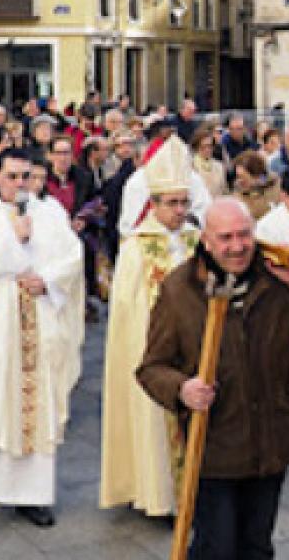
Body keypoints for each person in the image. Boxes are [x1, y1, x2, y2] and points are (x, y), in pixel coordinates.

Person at [138, 198, 289, 559]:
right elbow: (151, 368)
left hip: (270, 441)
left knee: (257, 547)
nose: (238, 246)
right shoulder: (179, 290)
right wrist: (182, 389)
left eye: (245, 235)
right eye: (225, 237)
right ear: (206, 240)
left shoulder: (277, 282)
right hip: (214, 449)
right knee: (218, 548)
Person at [0, 150, 85, 528]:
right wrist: (12, 242)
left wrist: (47, 280)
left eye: (26, 176)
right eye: (11, 176)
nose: (19, 184)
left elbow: (72, 258)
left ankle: (35, 495)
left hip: (42, 318)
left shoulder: (51, 214)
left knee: (39, 402)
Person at [101, 135, 198, 516]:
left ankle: (194, 491)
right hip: (156, 350)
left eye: (183, 202)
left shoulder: (196, 240)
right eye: (171, 203)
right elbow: (127, 309)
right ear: (153, 204)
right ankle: (159, 495)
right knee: (156, 422)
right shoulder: (136, 247)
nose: (179, 210)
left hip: (196, 346)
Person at [190, 129, 228, 200]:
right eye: (203, 147)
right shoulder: (191, 167)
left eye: (210, 146)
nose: (207, 150)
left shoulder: (219, 166)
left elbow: (224, 191)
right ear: (196, 147)